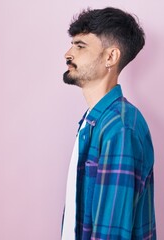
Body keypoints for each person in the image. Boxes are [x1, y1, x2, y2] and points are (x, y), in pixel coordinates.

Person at [61, 7, 156, 240]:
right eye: (72, 44)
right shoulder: (93, 121)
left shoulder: (121, 128)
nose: (68, 54)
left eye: (80, 46)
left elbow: (111, 234)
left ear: (111, 57)